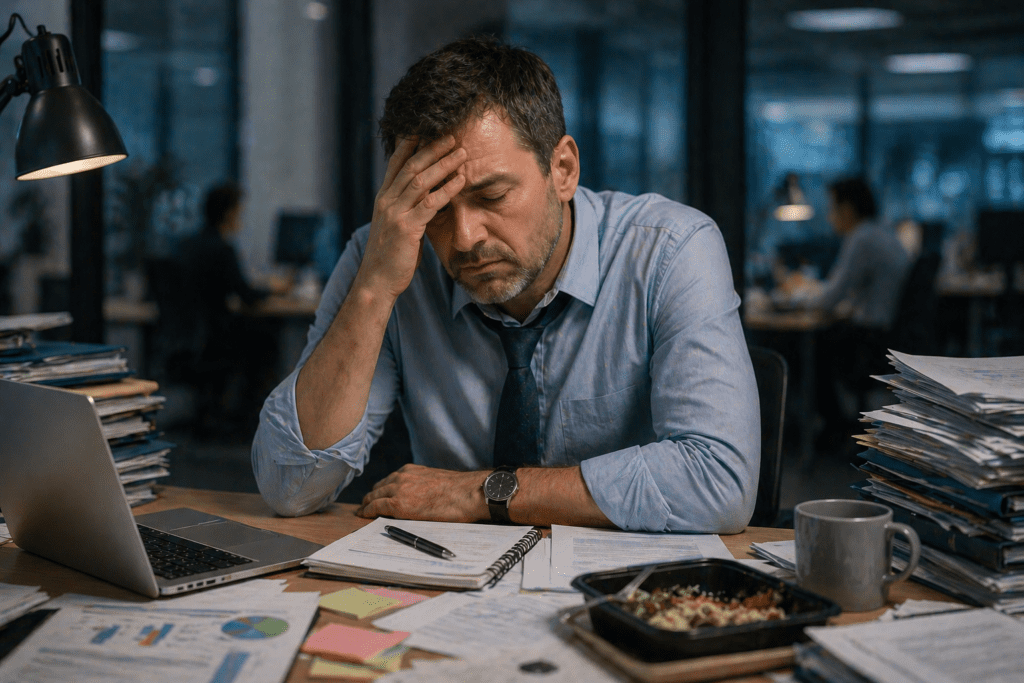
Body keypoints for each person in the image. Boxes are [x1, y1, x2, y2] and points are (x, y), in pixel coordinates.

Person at [251, 37, 759, 533]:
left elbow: (718, 480)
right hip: (448, 575)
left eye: (492, 196)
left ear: (562, 170)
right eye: (436, 207)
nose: (465, 238)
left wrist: (481, 493)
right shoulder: (386, 255)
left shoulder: (670, 251)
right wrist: (374, 289)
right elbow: (291, 487)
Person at [802, 177, 911, 444]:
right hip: (887, 335)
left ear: (847, 209)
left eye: (832, 208)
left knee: (809, 346)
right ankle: (834, 423)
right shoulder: (883, 232)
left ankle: (831, 427)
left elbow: (830, 298)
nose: (830, 217)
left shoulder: (862, 237)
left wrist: (797, 295)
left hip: (870, 340)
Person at [176, 182, 281, 435]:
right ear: (228, 213)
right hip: (215, 339)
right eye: (239, 212)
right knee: (267, 341)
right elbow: (246, 296)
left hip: (191, 337)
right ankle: (247, 419)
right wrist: (274, 288)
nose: (240, 218)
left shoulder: (188, 245)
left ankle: (224, 413)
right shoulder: (222, 249)